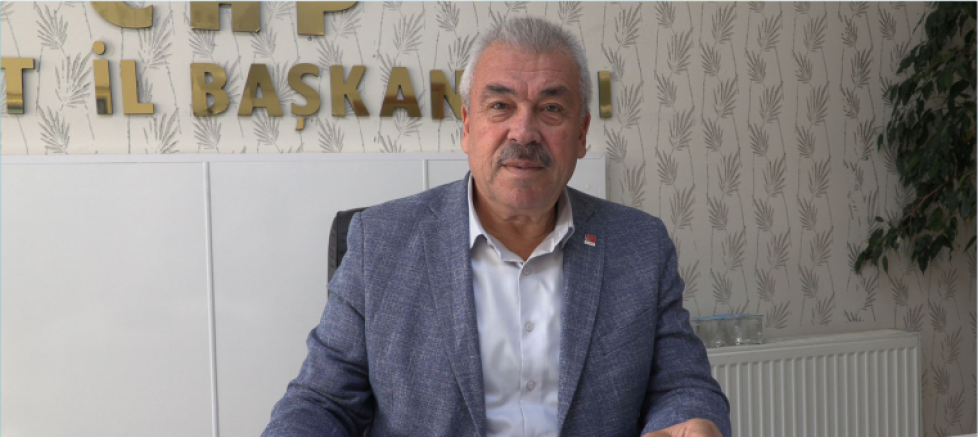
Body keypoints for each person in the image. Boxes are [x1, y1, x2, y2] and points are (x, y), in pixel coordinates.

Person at [263, 16, 730, 437]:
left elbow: (683, 385)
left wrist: (693, 421)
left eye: (551, 109)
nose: (524, 132)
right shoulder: (379, 242)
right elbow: (322, 402)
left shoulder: (640, 245)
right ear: (467, 126)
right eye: (501, 105)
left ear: (582, 133)